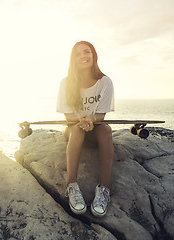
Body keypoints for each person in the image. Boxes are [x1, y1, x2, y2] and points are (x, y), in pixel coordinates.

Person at [56, 41, 115, 217]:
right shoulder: (66, 83)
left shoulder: (105, 82)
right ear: (73, 59)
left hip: (95, 127)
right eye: (78, 54)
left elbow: (101, 116)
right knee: (77, 130)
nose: (83, 56)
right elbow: (68, 117)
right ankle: (72, 186)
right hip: (74, 129)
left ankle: (104, 190)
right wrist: (82, 120)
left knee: (105, 130)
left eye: (87, 52)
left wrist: (91, 119)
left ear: (93, 55)